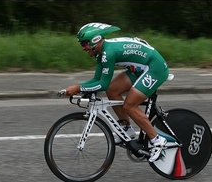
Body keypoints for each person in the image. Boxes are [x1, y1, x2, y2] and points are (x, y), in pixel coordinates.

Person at [64, 22, 169, 162]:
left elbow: (102, 84)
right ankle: (126, 129)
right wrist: (78, 86)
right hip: (139, 68)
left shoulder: (109, 53)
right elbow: (97, 79)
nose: (83, 48)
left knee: (129, 106)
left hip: (154, 68)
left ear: (95, 40)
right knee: (113, 90)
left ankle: (157, 141)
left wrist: (78, 88)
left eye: (84, 44)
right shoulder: (101, 52)